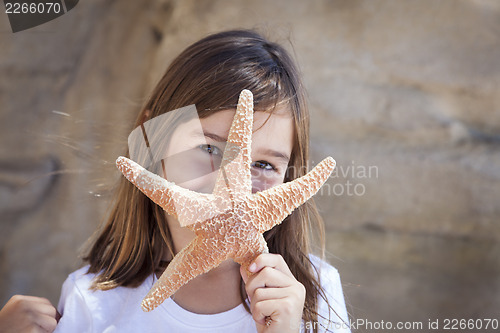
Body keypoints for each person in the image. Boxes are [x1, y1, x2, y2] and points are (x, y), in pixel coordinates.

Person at [5, 29, 350, 332]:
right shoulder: (93, 301)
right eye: (210, 148)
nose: (234, 183)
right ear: (151, 138)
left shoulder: (313, 296)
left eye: (263, 163)